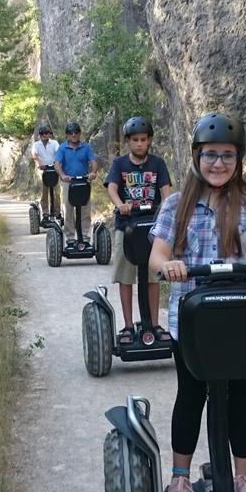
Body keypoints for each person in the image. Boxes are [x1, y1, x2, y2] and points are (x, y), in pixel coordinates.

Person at [149, 111, 246, 492]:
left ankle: (244, 479)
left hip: (238, 321)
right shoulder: (177, 205)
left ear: (238, 159)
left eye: (227, 155)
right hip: (191, 321)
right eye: (210, 155)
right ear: (196, 156)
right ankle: (180, 478)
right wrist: (167, 265)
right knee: (190, 394)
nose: (219, 163)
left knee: (241, 394)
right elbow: (158, 252)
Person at [105, 116, 172, 345]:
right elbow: (112, 189)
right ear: (128, 142)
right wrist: (120, 205)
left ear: (149, 140)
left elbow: (167, 193)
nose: (139, 144)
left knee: (153, 277)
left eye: (143, 139)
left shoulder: (157, 164)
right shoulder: (119, 165)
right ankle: (127, 325)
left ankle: (153, 323)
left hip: (152, 230)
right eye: (135, 140)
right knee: (126, 277)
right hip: (127, 228)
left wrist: (166, 208)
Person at [54, 122, 98, 244]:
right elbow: (57, 163)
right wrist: (63, 175)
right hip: (69, 182)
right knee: (68, 210)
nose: (73, 135)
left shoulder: (86, 147)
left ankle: (85, 238)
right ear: (67, 135)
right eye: (71, 133)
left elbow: (93, 161)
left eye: (76, 132)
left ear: (79, 134)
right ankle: (70, 238)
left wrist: (93, 172)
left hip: (84, 182)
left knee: (85, 210)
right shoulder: (62, 148)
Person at [31, 123, 61, 221]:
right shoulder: (36, 145)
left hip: (54, 169)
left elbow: (59, 153)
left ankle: (57, 213)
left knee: (57, 192)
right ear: (40, 135)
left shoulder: (54, 143)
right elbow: (34, 155)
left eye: (46, 133)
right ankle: (45, 213)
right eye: (42, 134)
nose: (45, 135)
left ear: (49, 134)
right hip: (43, 170)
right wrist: (39, 163)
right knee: (44, 193)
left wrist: (57, 162)